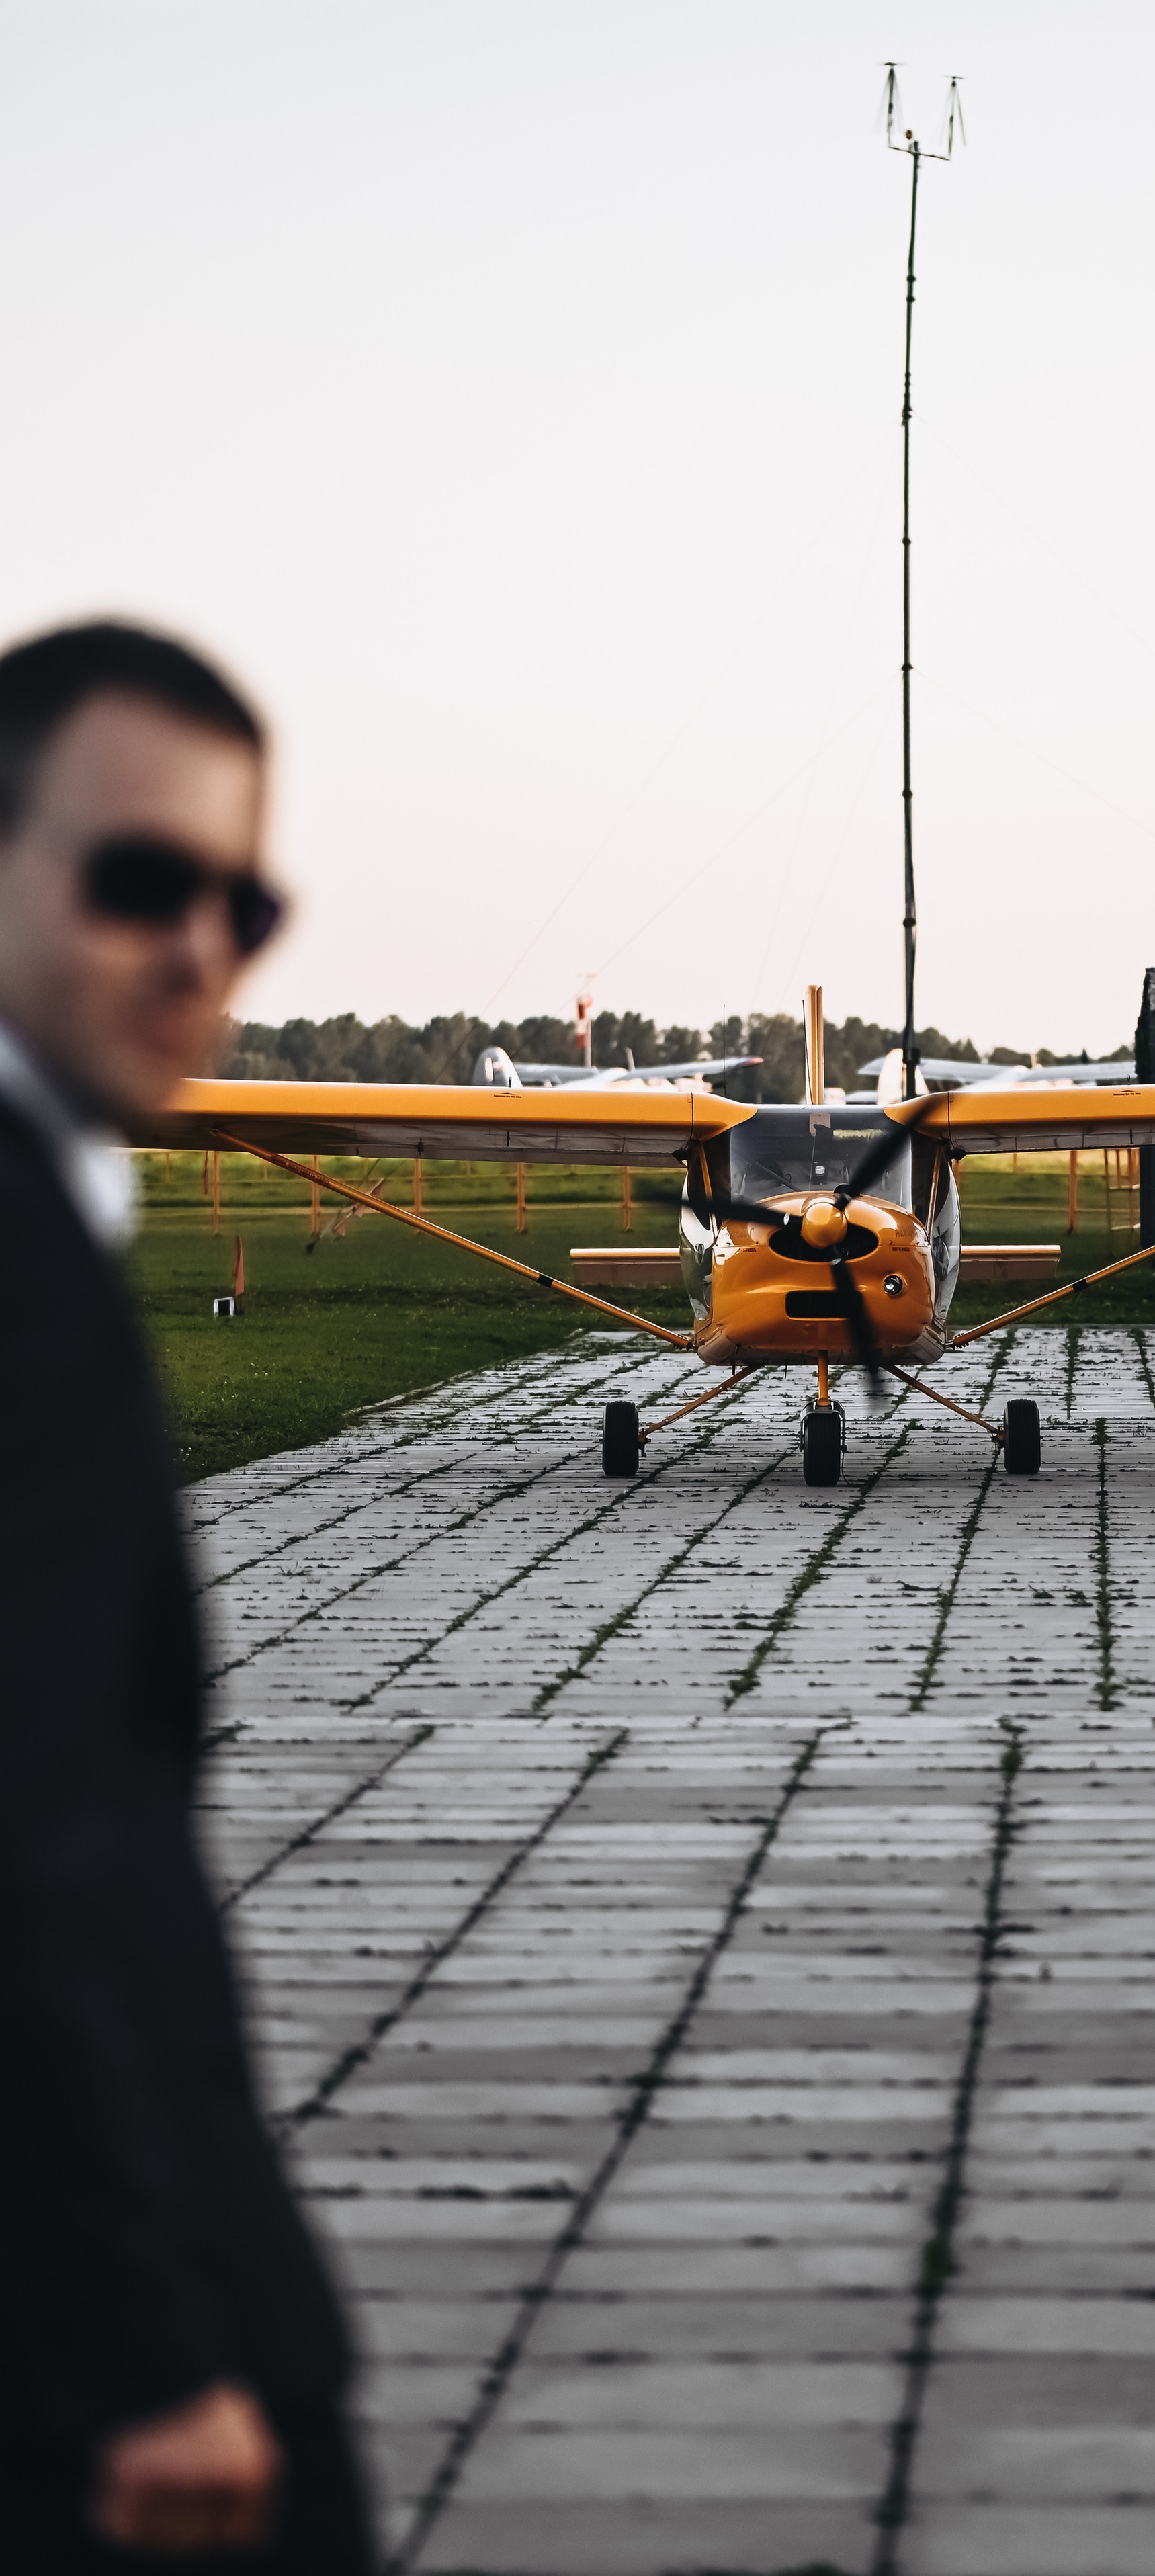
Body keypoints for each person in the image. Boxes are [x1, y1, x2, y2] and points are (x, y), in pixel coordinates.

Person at [0, 624, 372, 2570]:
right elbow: (37, 1841)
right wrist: (146, 2355)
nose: (203, 946)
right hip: (111, 2350)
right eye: (137, 877)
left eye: (248, 896)